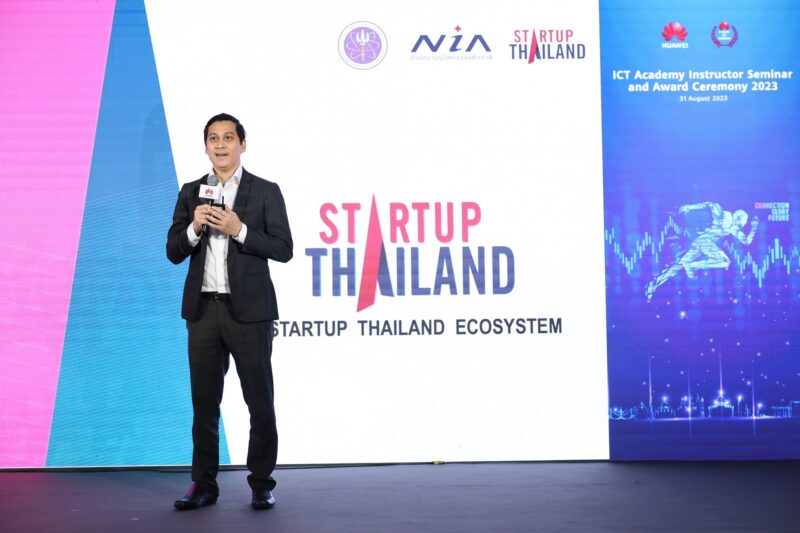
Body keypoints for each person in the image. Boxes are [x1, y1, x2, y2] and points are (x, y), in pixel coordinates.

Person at [166, 113, 293, 510]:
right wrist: (194, 228)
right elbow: (172, 251)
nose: (220, 145)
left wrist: (240, 229)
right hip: (203, 311)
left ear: (242, 144)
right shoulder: (192, 192)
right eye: (213, 138)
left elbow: (283, 248)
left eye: (228, 137)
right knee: (204, 404)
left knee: (259, 401)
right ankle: (203, 485)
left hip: (250, 313)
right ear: (206, 146)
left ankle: (261, 483)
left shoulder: (265, 191)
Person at [646, 201, 758, 300]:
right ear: (738, 219)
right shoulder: (726, 219)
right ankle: (693, 265)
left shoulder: (730, 224)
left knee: (677, 265)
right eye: (740, 224)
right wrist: (689, 207)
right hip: (705, 242)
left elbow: (746, 241)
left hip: (700, 242)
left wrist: (753, 227)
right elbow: (710, 204)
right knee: (725, 261)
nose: (739, 226)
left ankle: (653, 286)